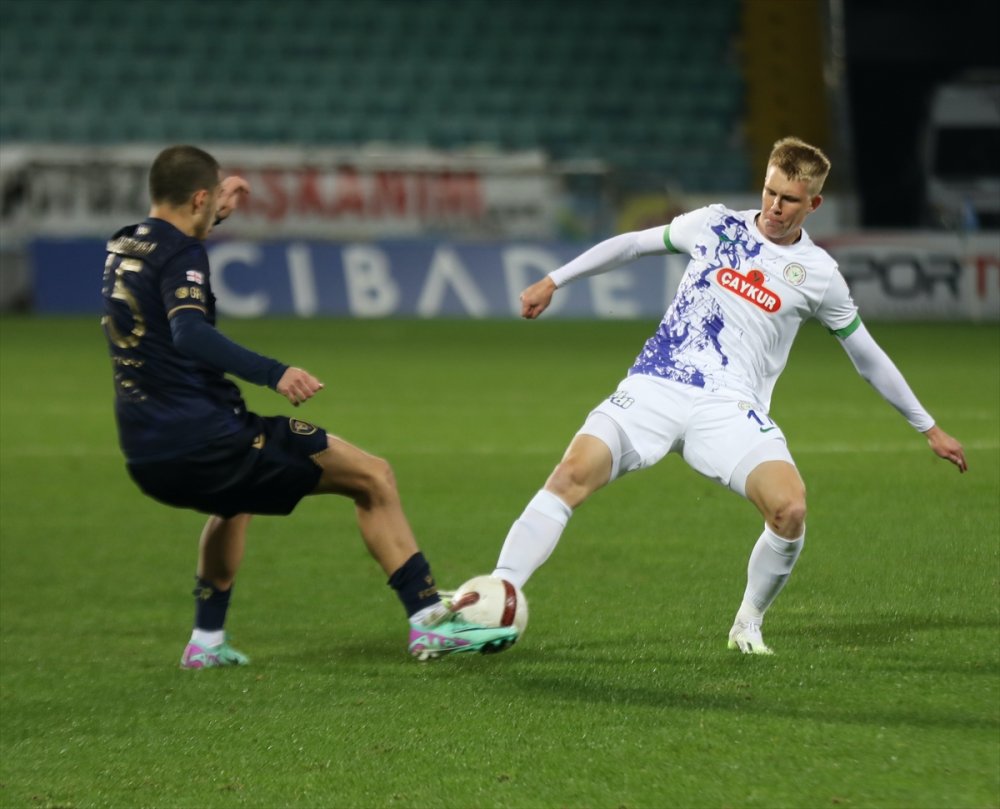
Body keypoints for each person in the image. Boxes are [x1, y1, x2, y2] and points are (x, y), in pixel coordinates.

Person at [489, 136, 968, 655]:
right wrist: (554, 280)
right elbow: (631, 244)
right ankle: (498, 593)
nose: (774, 207)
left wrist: (928, 426)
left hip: (730, 408)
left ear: (814, 204)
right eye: (769, 191)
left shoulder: (820, 276)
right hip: (659, 382)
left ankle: (748, 621)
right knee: (569, 475)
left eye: (789, 199)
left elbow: (866, 355)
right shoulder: (716, 224)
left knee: (790, 509)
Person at [101, 144, 516, 667]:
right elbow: (188, 332)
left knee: (233, 503)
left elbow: (173, 240)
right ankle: (428, 621)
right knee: (373, 477)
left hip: (146, 454)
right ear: (200, 197)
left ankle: (205, 643)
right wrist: (276, 373)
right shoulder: (184, 254)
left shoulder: (123, 243)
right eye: (212, 201)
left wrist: (213, 211)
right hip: (209, 438)